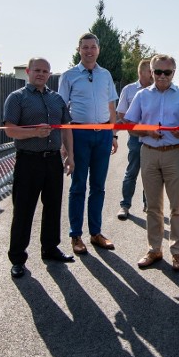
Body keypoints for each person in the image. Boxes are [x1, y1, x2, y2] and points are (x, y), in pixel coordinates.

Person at [4, 57, 75, 279]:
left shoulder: (57, 99)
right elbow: (10, 130)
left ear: (49, 74)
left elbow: (66, 128)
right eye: (37, 70)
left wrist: (70, 155)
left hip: (53, 160)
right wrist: (34, 132)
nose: (41, 74)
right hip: (28, 161)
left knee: (53, 206)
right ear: (28, 71)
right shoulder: (17, 98)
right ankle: (17, 258)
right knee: (23, 210)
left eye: (45, 71)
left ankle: (50, 248)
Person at [123, 55, 179, 272]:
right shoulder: (142, 95)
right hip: (149, 152)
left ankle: (177, 252)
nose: (162, 76)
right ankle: (154, 249)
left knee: (178, 206)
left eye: (167, 72)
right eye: (158, 72)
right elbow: (129, 124)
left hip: (175, 153)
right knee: (153, 206)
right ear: (151, 72)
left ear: (174, 72)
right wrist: (147, 131)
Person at [58, 32, 119, 255]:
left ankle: (96, 232)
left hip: (102, 134)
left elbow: (111, 106)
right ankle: (76, 235)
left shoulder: (106, 75)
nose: (89, 51)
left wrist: (113, 135)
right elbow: (62, 110)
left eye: (93, 47)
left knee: (99, 186)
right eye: (85, 47)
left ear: (98, 49)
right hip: (79, 135)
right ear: (79, 49)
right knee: (78, 186)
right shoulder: (68, 76)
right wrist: (65, 144)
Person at [116, 59, 152, 220]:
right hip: (136, 139)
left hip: (154, 140)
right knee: (132, 172)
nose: (153, 75)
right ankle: (125, 205)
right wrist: (138, 128)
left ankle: (149, 204)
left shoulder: (156, 90)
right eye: (150, 71)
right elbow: (122, 114)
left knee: (150, 174)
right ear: (141, 72)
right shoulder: (129, 89)